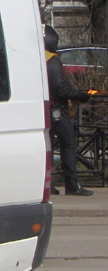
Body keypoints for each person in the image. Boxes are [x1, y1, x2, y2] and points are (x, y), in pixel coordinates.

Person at [45, 25, 94, 196]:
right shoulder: (52, 60)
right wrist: (78, 95)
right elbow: (59, 88)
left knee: (48, 146)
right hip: (57, 109)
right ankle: (72, 185)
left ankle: (48, 185)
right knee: (68, 144)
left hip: (44, 109)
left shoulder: (37, 58)